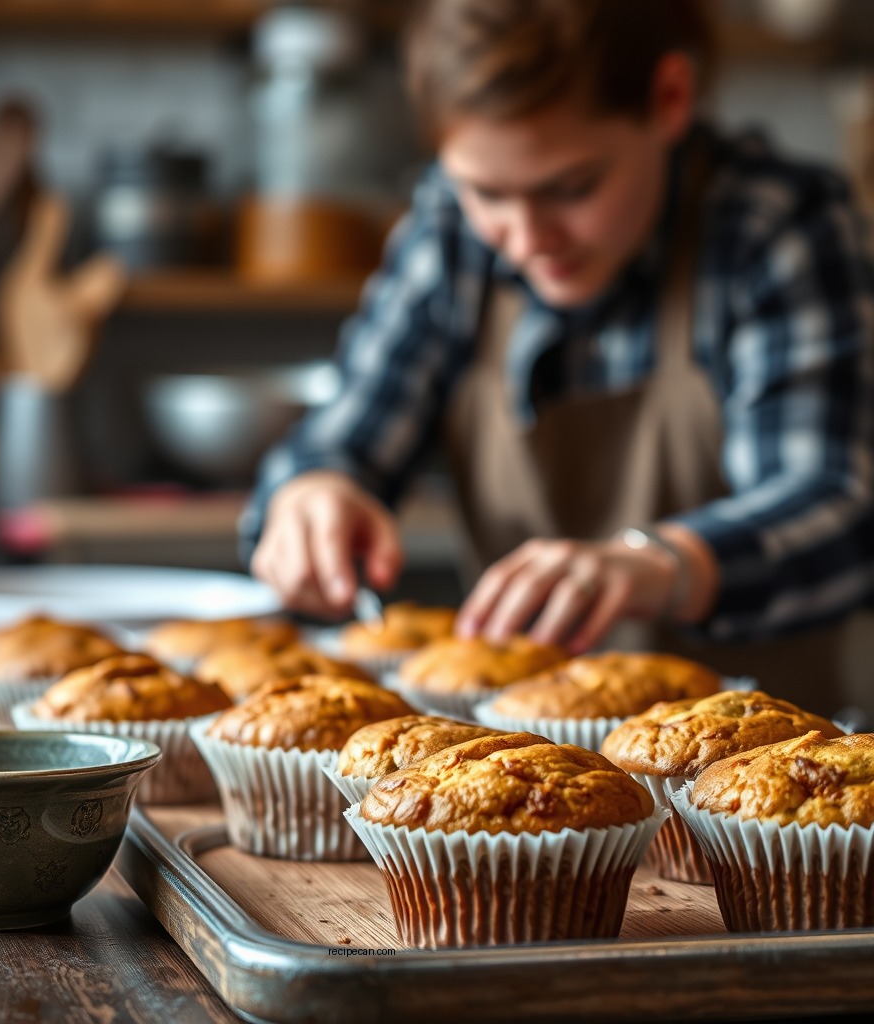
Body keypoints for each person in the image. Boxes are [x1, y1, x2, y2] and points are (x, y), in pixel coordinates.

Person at [239, 0, 874, 717]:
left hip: (760, 779)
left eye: (572, 188)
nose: (527, 236)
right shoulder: (451, 229)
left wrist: (661, 562)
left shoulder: (774, 228)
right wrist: (313, 491)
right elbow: (344, 436)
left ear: (670, 99)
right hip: (520, 770)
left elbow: (837, 510)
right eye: (486, 192)